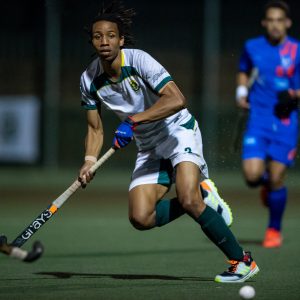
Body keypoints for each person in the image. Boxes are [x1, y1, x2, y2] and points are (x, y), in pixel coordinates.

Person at [79, 0, 259, 282]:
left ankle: (242, 261)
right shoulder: (89, 80)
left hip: (178, 131)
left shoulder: (138, 60)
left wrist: (134, 120)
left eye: (111, 35)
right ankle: (204, 197)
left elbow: (177, 99)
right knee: (141, 217)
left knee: (188, 198)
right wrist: (89, 162)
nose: (105, 41)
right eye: (98, 36)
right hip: (148, 146)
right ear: (91, 40)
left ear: (121, 39)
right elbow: (95, 128)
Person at [236, 0, 299, 248]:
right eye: (270, 20)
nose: (274, 25)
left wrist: (294, 95)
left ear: (288, 23)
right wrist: (241, 92)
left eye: (279, 20)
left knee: (277, 178)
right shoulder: (252, 47)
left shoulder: (297, 50)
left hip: (286, 122)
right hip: (258, 119)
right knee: (252, 176)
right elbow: (243, 70)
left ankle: (274, 229)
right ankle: (266, 188)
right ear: (264, 23)